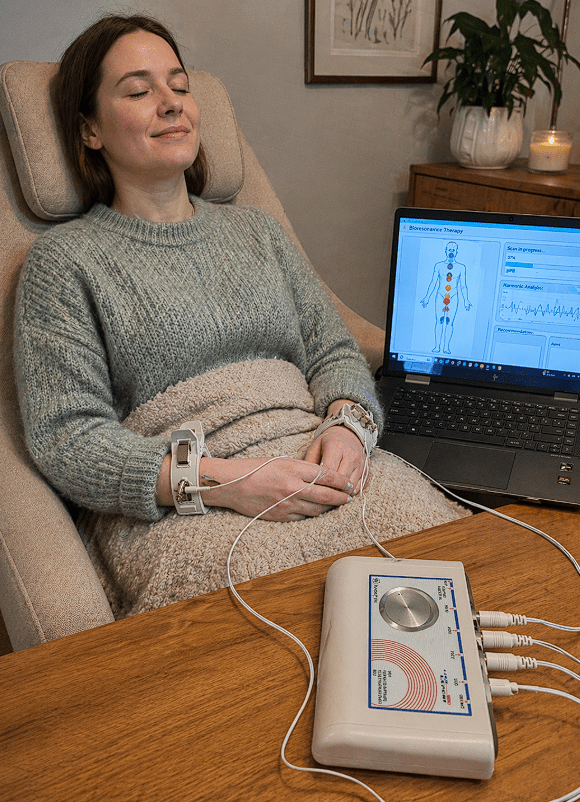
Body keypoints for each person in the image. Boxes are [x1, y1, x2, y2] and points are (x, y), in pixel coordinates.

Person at [14, 14, 467, 617]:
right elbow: (67, 439)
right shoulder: (63, 263)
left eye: (179, 86)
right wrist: (229, 481)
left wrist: (348, 428)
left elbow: (333, 350)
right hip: (184, 502)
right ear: (90, 129)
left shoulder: (256, 232)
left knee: (446, 560)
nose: (172, 104)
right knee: (259, 626)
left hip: (311, 458)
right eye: (139, 90)